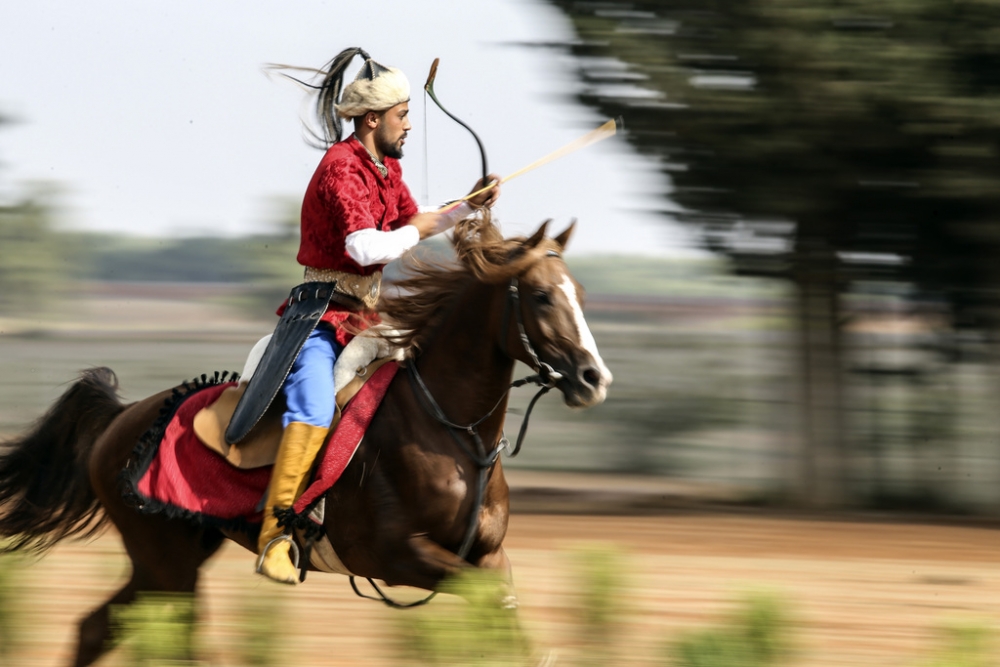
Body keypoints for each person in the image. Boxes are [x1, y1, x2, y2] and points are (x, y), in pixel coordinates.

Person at [255, 47, 500, 584]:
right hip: (317, 319)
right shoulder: (341, 168)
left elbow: (413, 218)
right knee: (316, 409)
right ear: (373, 120)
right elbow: (367, 249)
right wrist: (433, 226)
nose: (409, 125)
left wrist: (468, 206)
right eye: (403, 115)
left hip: (366, 319)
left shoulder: (384, 167)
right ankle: (274, 534)